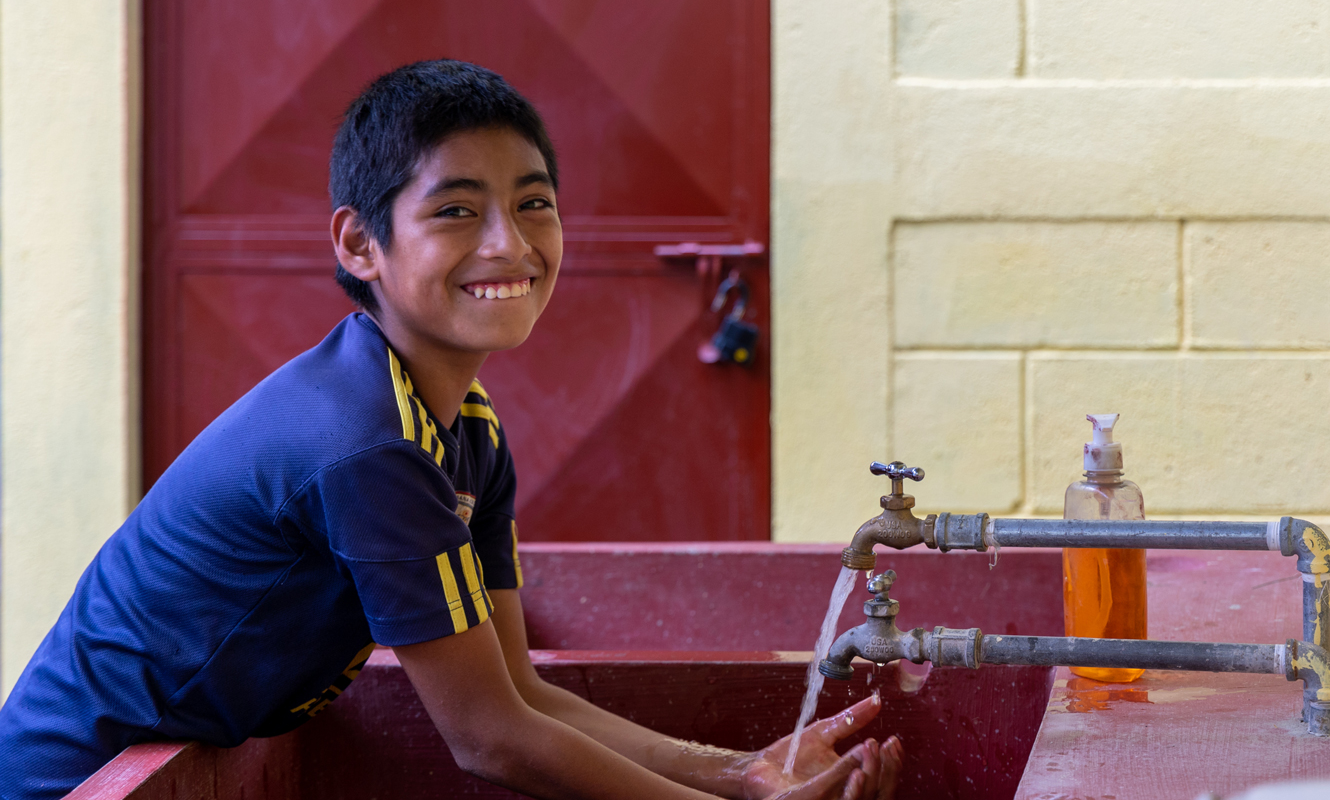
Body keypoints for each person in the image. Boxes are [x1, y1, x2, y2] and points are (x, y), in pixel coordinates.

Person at [0, 60, 902, 800]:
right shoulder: (369, 443)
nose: (510, 245)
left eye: (535, 203)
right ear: (359, 245)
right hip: (76, 783)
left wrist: (744, 774)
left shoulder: (463, 428)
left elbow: (520, 697)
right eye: (456, 210)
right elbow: (490, 742)